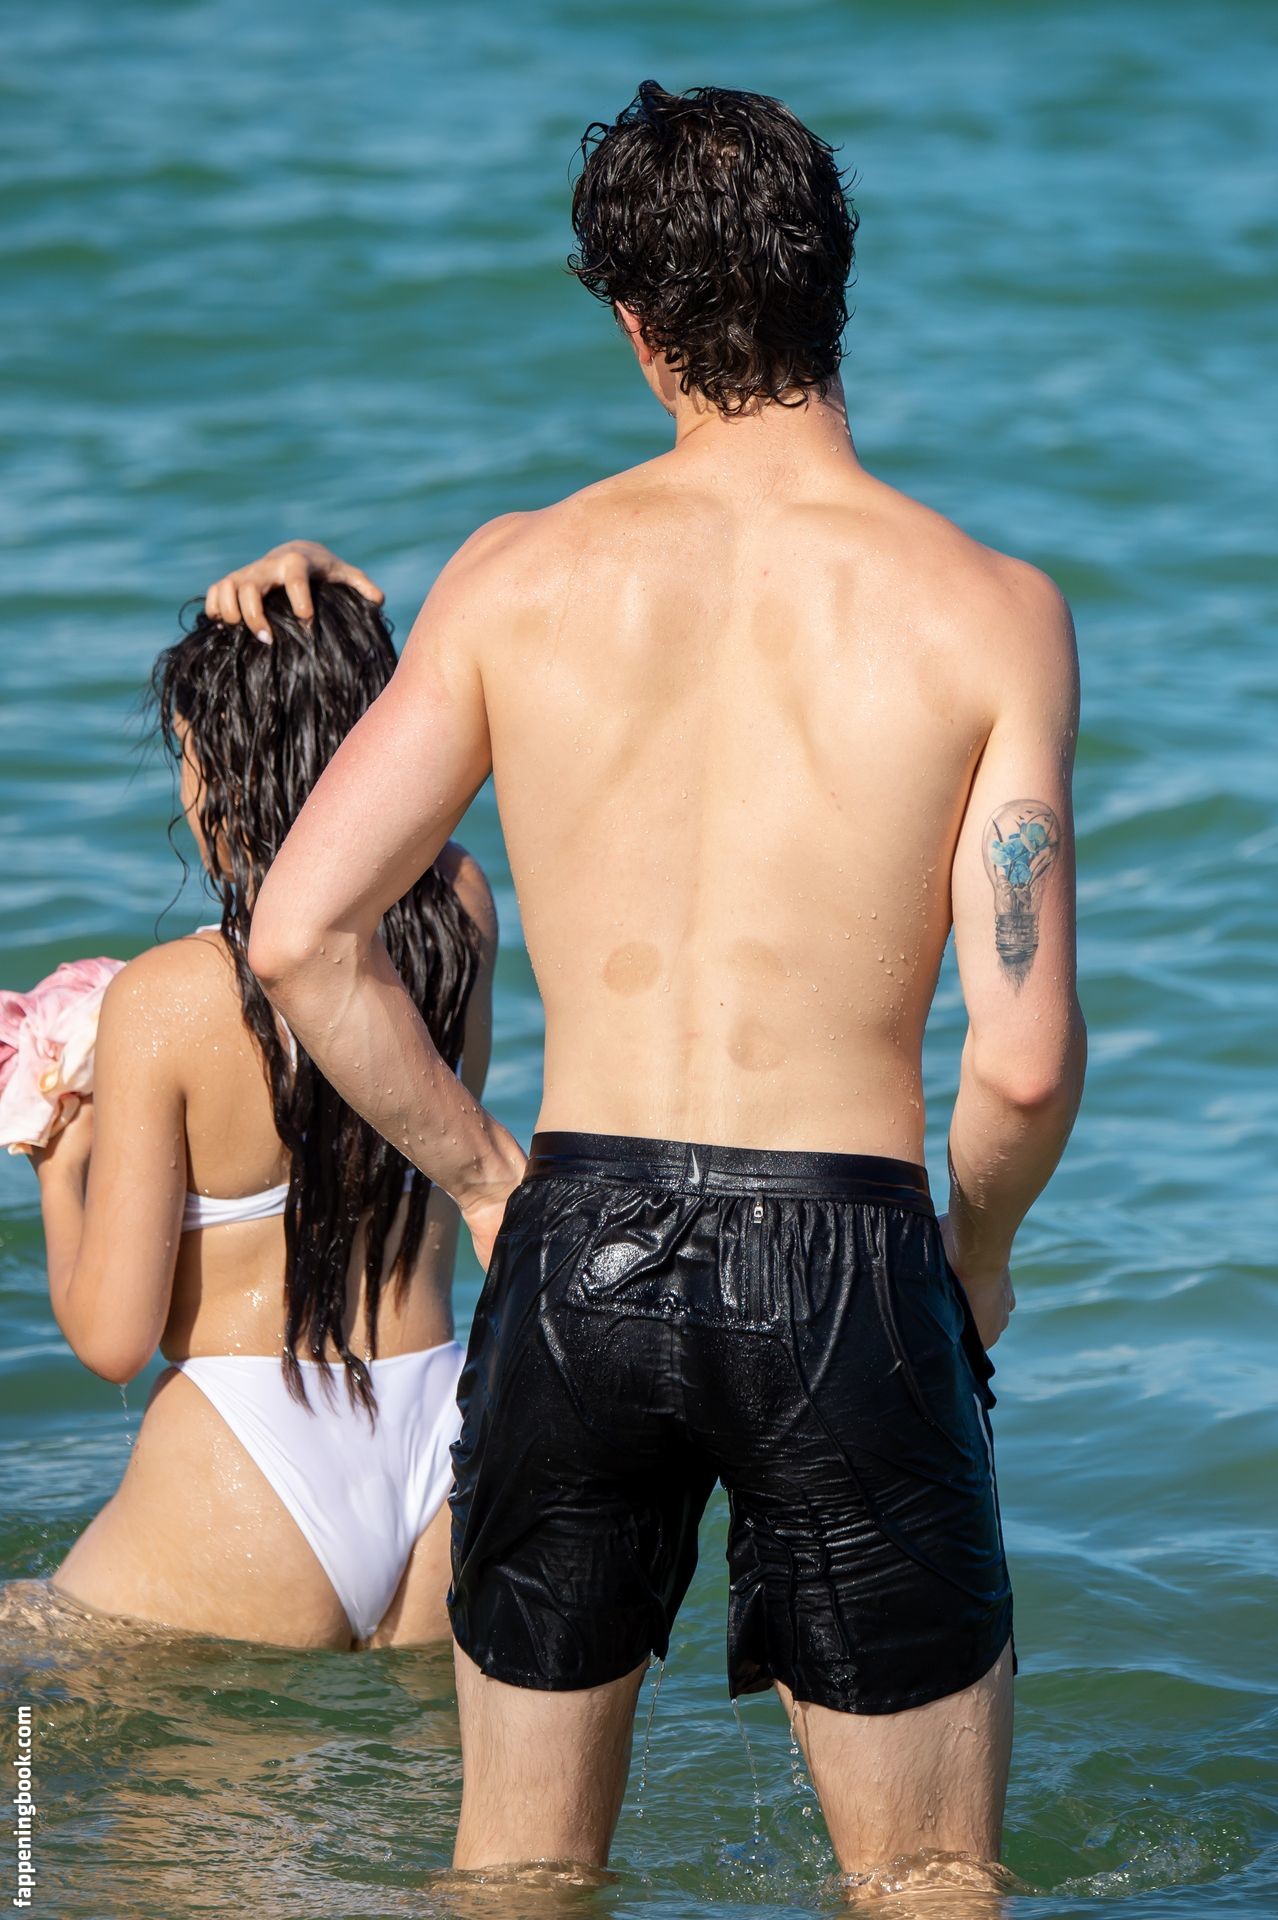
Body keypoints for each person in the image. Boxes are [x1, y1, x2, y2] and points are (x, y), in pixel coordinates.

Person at [227, 81, 1085, 1885]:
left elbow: (302, 933)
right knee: (925, 1886)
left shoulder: (514, 576)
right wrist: (976, 1258)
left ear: (630, 321)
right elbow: (1016, 1062)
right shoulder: (986, 607)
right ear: (835, 281)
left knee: (519, 1872)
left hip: (578, 1242)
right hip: (840, 1256)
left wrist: (487, 1185)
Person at [31, 582, 496, 1648]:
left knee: (35, 1717)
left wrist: (59, 1166)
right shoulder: (462, 912)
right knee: (421, 1766)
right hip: (445, 1435)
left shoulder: (166, 1002)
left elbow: (113, 1340)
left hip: (247, 1460)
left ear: (229, 770)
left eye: (192, 754)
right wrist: (325, 599)